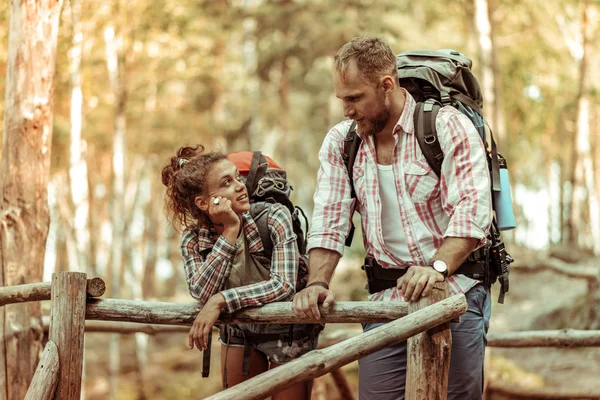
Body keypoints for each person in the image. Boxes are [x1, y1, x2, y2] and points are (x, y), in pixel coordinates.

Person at [292, 37, 493, 399]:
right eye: (342, 99)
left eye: (354, 98)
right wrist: (317, 282)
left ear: (387, 85)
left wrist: (436, 267)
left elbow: (471, 213)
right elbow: (329, 218)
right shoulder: (341, 142)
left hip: (456, 291)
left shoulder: (447, 127)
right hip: (386, 300)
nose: (346, 111)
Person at [162, 145, 319, 399]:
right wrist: (230, 231)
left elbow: (283, 285)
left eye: (238, 177)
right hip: (239, 331)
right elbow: (201, 291)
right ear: (203, 202)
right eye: (227, 182)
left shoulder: (274, 217)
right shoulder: (193, 239)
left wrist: (222, 300)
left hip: (289, 331)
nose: (239, 186)